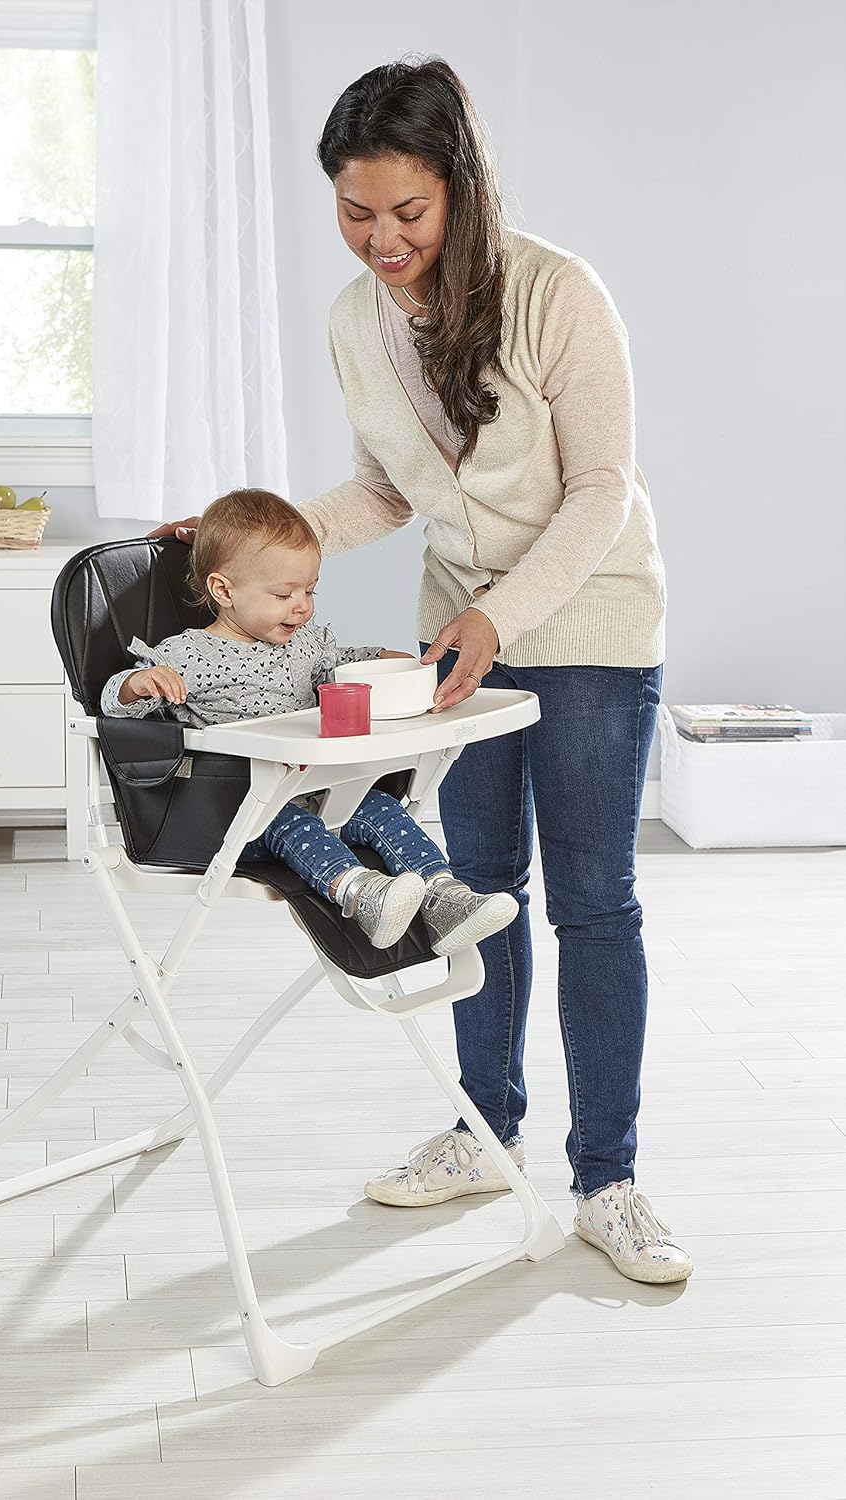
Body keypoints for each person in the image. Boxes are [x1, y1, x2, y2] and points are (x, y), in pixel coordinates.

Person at [151, 59, 692, 1284]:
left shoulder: (558, 294)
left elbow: (603, 487)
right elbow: (389, 489)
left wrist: (504, 615)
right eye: (355, 210)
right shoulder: (359, 321)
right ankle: (483, 1130)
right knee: (477, 880)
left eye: (409, 211)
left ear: (462, 190)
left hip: (591, 621)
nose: (381, 239)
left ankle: (608, 1177)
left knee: (593, 900)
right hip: (463, 633)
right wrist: (256, 529)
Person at [105, 488, 519, 956]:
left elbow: (337, 665)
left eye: (309, 590)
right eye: (284, 594)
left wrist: (377, 660)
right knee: (289, 821)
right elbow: (113, 704)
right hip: (242, 810)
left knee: (381, 806)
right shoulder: (189, 654)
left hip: (321, 791)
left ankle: (446, 898)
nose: (303, 606)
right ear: (223, 590)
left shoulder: (305, 644)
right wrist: (138, 683)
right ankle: (362, 894)